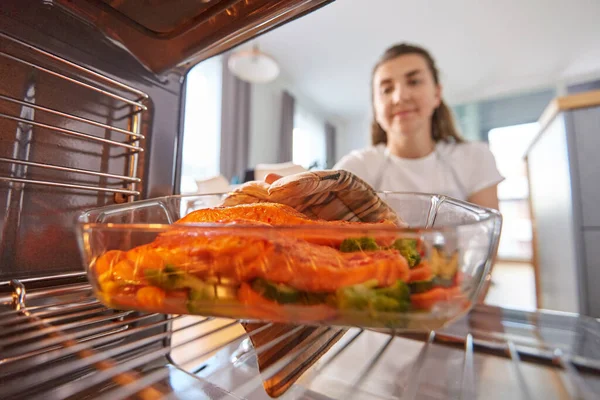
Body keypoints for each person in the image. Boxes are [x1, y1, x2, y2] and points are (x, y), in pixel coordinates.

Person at [334, 43, 504, 210]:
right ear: (375, 107)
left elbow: (482, 235)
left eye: (414, 82)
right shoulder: (355, 169)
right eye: (387, 89)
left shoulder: (475, 158)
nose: (400, 97)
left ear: (437, 94)